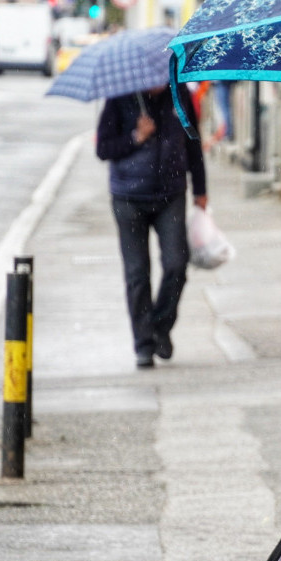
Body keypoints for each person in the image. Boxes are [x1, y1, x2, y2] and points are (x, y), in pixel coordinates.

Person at [96, 83, 206, 369]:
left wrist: (200, 188)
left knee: (176, 265)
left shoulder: (179, 94)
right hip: (128, 198)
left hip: (170, 194)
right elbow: (103, 148)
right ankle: (144, 344)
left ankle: (160, 327)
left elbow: (193, 140)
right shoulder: (120, 96)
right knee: (137, 274)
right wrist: (136, 136)